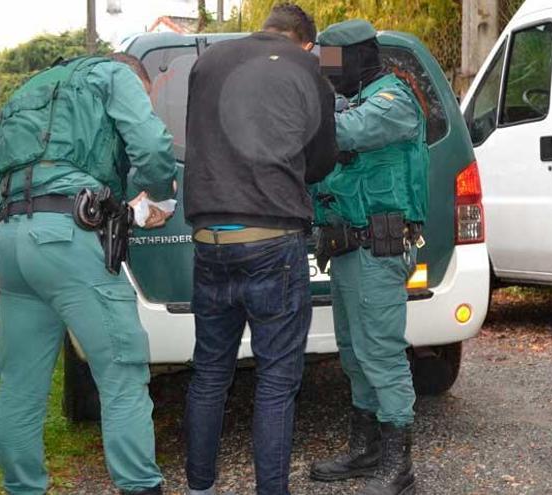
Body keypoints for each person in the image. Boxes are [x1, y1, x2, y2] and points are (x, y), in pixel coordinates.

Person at [0, 53, 178, 495]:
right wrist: (159, 196)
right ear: (136, 77)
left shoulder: (34, 88)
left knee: (19, 381)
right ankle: (140, 486)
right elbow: (151, 146)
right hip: (67, 239)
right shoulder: (115, 75)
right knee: (122, 370)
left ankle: (21, 487)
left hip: (14, 238)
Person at [182, 3, 337, 495]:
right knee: (276, 379)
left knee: (209, 372)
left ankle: (199, 486)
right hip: (272, 238)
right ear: (306, 42)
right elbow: (321, 157)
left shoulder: (207, 61)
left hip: (210, 239)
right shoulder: (308, 68)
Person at [309, 20, 429, 495]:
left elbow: (341, 134)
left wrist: (297, 110)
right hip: (346, 248)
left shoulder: (392, 100)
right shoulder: (348, 98)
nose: (327, 70)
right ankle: (367, 451)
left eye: (331, 62)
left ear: (360, 56)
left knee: (381, 353)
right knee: (354, 354)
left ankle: (400, 468)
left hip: (378, 249)